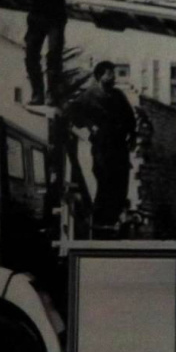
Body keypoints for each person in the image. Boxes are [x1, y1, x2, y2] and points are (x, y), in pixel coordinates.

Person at [65, 61, 136, 237]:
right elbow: (73, 113)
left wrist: (132, 136)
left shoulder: (118, 95)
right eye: (108, 73)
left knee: (120, 186)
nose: (112, 76)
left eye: (113, 73)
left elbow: (130, 119)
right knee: (105, 184)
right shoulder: (89, 96)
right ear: (99, 76)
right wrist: (90, 126)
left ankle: (114, 223)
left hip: (119, 147)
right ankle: (100, 226)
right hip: (102, 147)